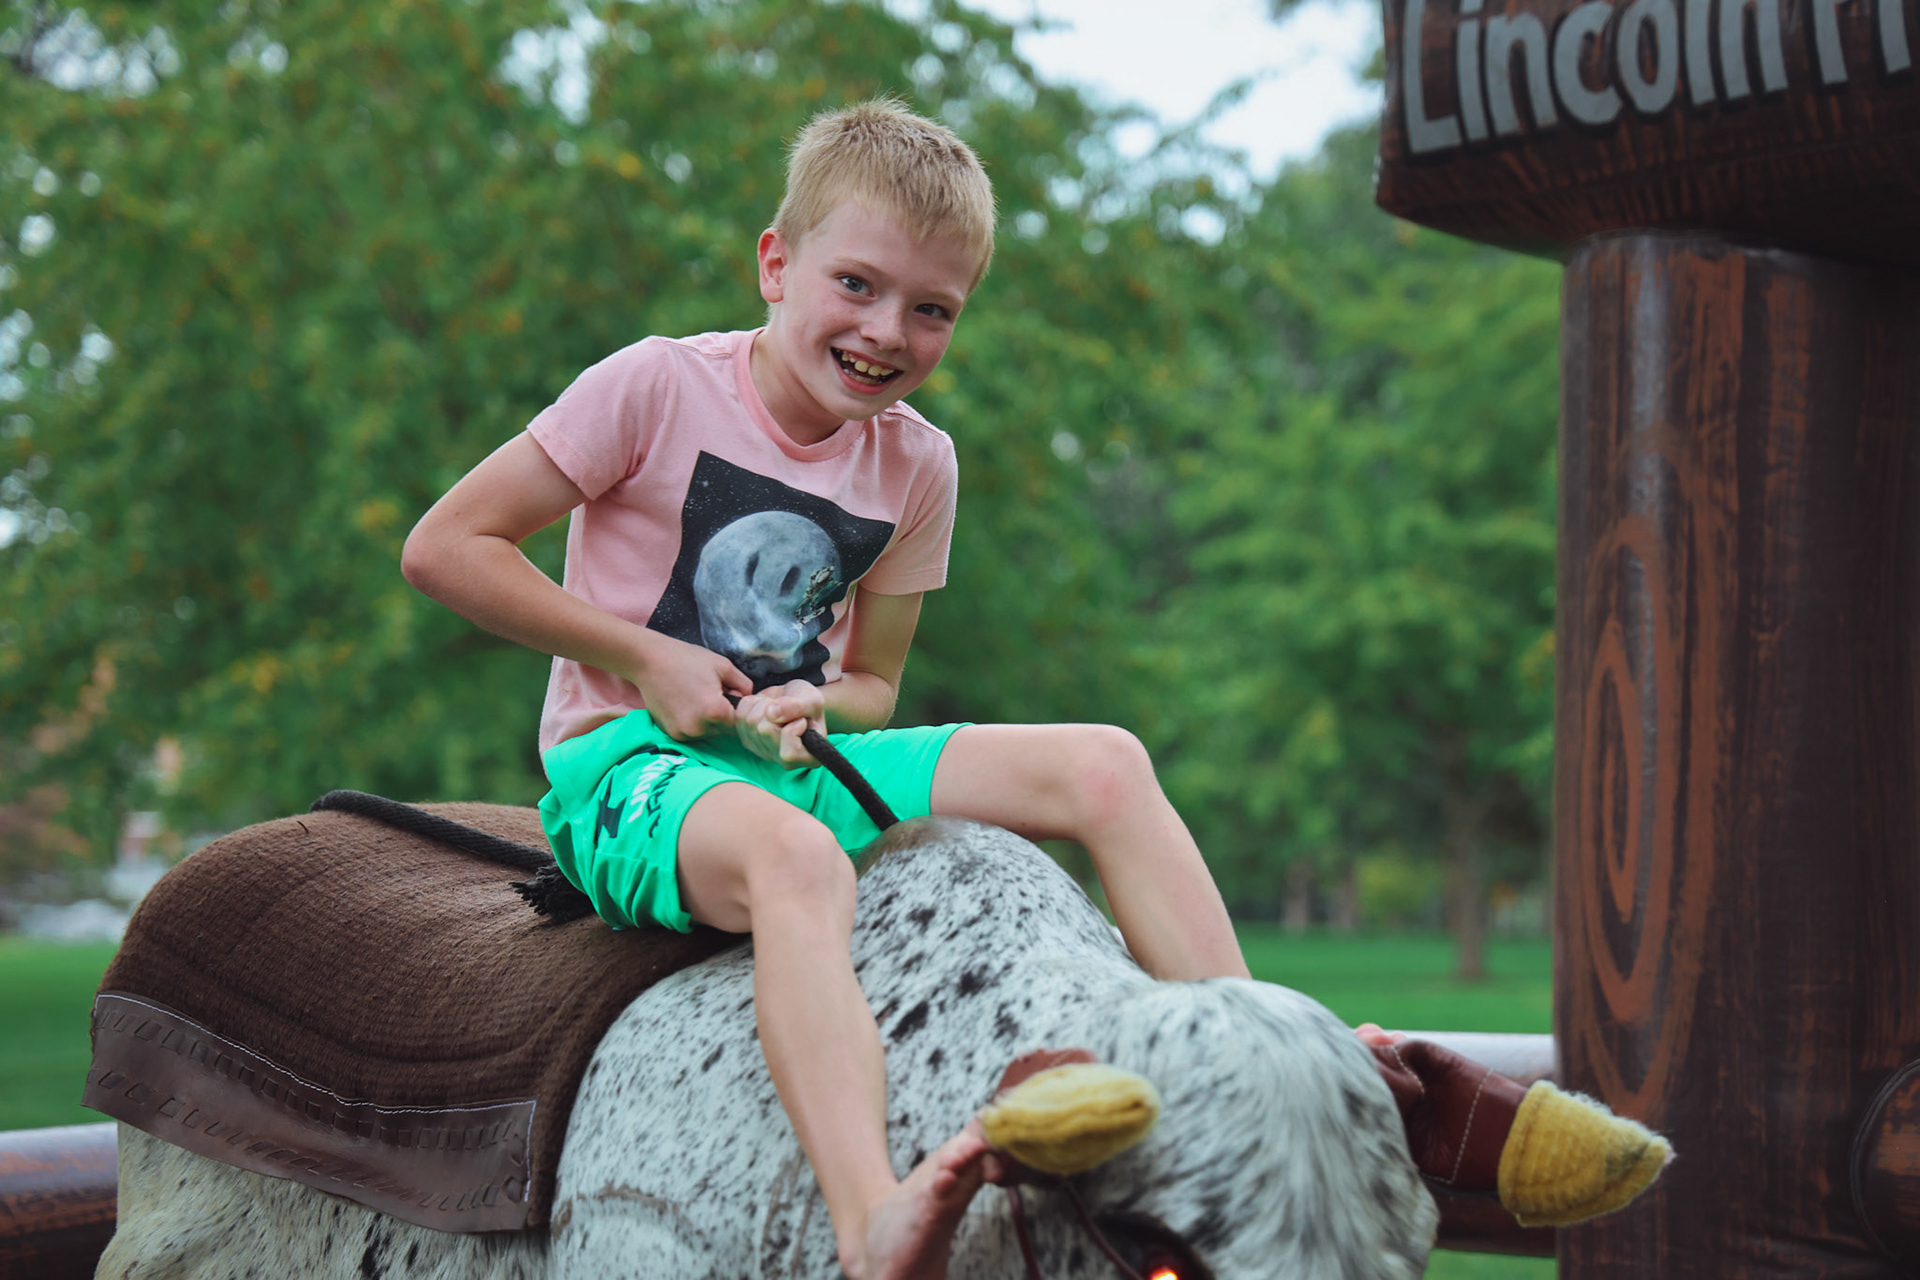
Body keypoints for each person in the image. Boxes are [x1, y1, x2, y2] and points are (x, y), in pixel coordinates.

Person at [402, 98, 1249, 1280]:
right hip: (627, 768)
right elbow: (445, 547)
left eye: (931, 308)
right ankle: (871, 1218)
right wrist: (643, 654)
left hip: (793, 764)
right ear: (776, 264)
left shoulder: (919, 462)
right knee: (800, 864)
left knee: (1106, 760)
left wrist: (820, 706)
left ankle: (1262, 1069)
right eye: (856, 284)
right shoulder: (654, 387)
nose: (886, 330)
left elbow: (874, 684)